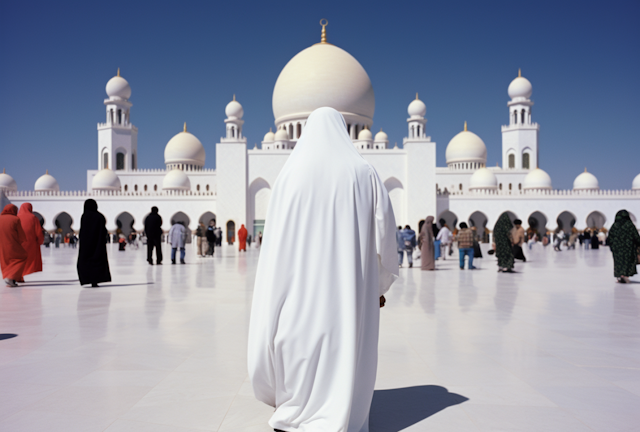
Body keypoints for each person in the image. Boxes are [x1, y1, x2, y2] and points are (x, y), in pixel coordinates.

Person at [248, 107, 398, 432]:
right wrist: (378, 284)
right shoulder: (363, 172)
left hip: (296, 286)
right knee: (341, 341)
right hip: (347, 288)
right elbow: (386, 235)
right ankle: (338, 410)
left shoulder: (289, 174)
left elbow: (274, 240)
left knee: (298, 340)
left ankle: (295, 408)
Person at [77, 199, 111, 288]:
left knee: (86, 262)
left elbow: (83, 231)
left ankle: (87, 279)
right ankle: (95, 281)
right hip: (98, 244)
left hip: (86, 245)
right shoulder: (100, 216)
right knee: (97, 261)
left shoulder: (85, 216)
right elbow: (104, 231)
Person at [608, 210, 640, 283]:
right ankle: (625, 275)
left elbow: (610, 238)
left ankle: (620, 275)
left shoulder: (614, 226)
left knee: (618, 262)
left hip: (617, 249)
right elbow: (636, 237)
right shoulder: (630, 225)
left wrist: (612, 247)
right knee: (627, 262)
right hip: (628, 249)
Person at [0, 204, 28, 287]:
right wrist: (23, 240)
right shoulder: (15, 219)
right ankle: (10, 277)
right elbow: (21, 235)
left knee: (5, 261)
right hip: (12, 244)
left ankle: (11, 279)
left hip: (1, 245)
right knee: (22, 257)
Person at [17, 203, 44, 277]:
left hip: (18, 244)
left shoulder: (16, 217)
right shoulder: (33, 218)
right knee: (29, 261)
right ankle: (22, 274)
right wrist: (40, 241)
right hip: (30, 244)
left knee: (18, 260)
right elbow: (38, 232)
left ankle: (19, 275)